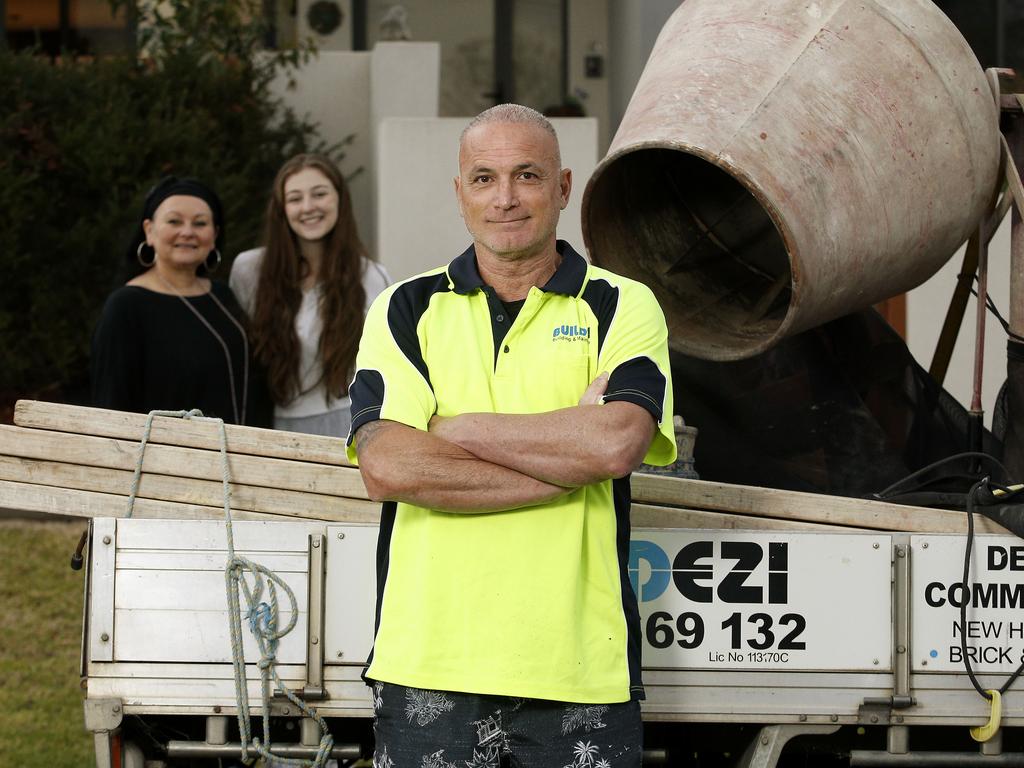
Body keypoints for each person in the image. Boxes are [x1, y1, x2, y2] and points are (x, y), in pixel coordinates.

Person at [347, 104, 677, 768]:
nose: (505, 198)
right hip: (430, 663)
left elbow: (615, 445)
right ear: (460, 193)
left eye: (527, 175)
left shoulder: (622, 303)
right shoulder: (406, 308)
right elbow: (388, 467)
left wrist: (454, 428)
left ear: (562, 188)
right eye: (484, 178)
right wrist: (568, 457)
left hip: (579, 668)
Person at [230, 154, 391, 436]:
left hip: (348, 424)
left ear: (339, 199)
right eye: (294, 198)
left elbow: (386, 367)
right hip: (267, 424)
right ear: (281, 209)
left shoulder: (372, 277)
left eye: (319, 194)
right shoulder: (249, 270)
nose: (308, 207)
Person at [91, 177, 271, 426]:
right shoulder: (126, 306)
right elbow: (111, 406)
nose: (187, 232)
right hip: (167, 460)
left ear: (215, 235)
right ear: (149, 231)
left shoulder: (222, 295)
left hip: (237, 457)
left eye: (200, 223)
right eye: (174, 221)